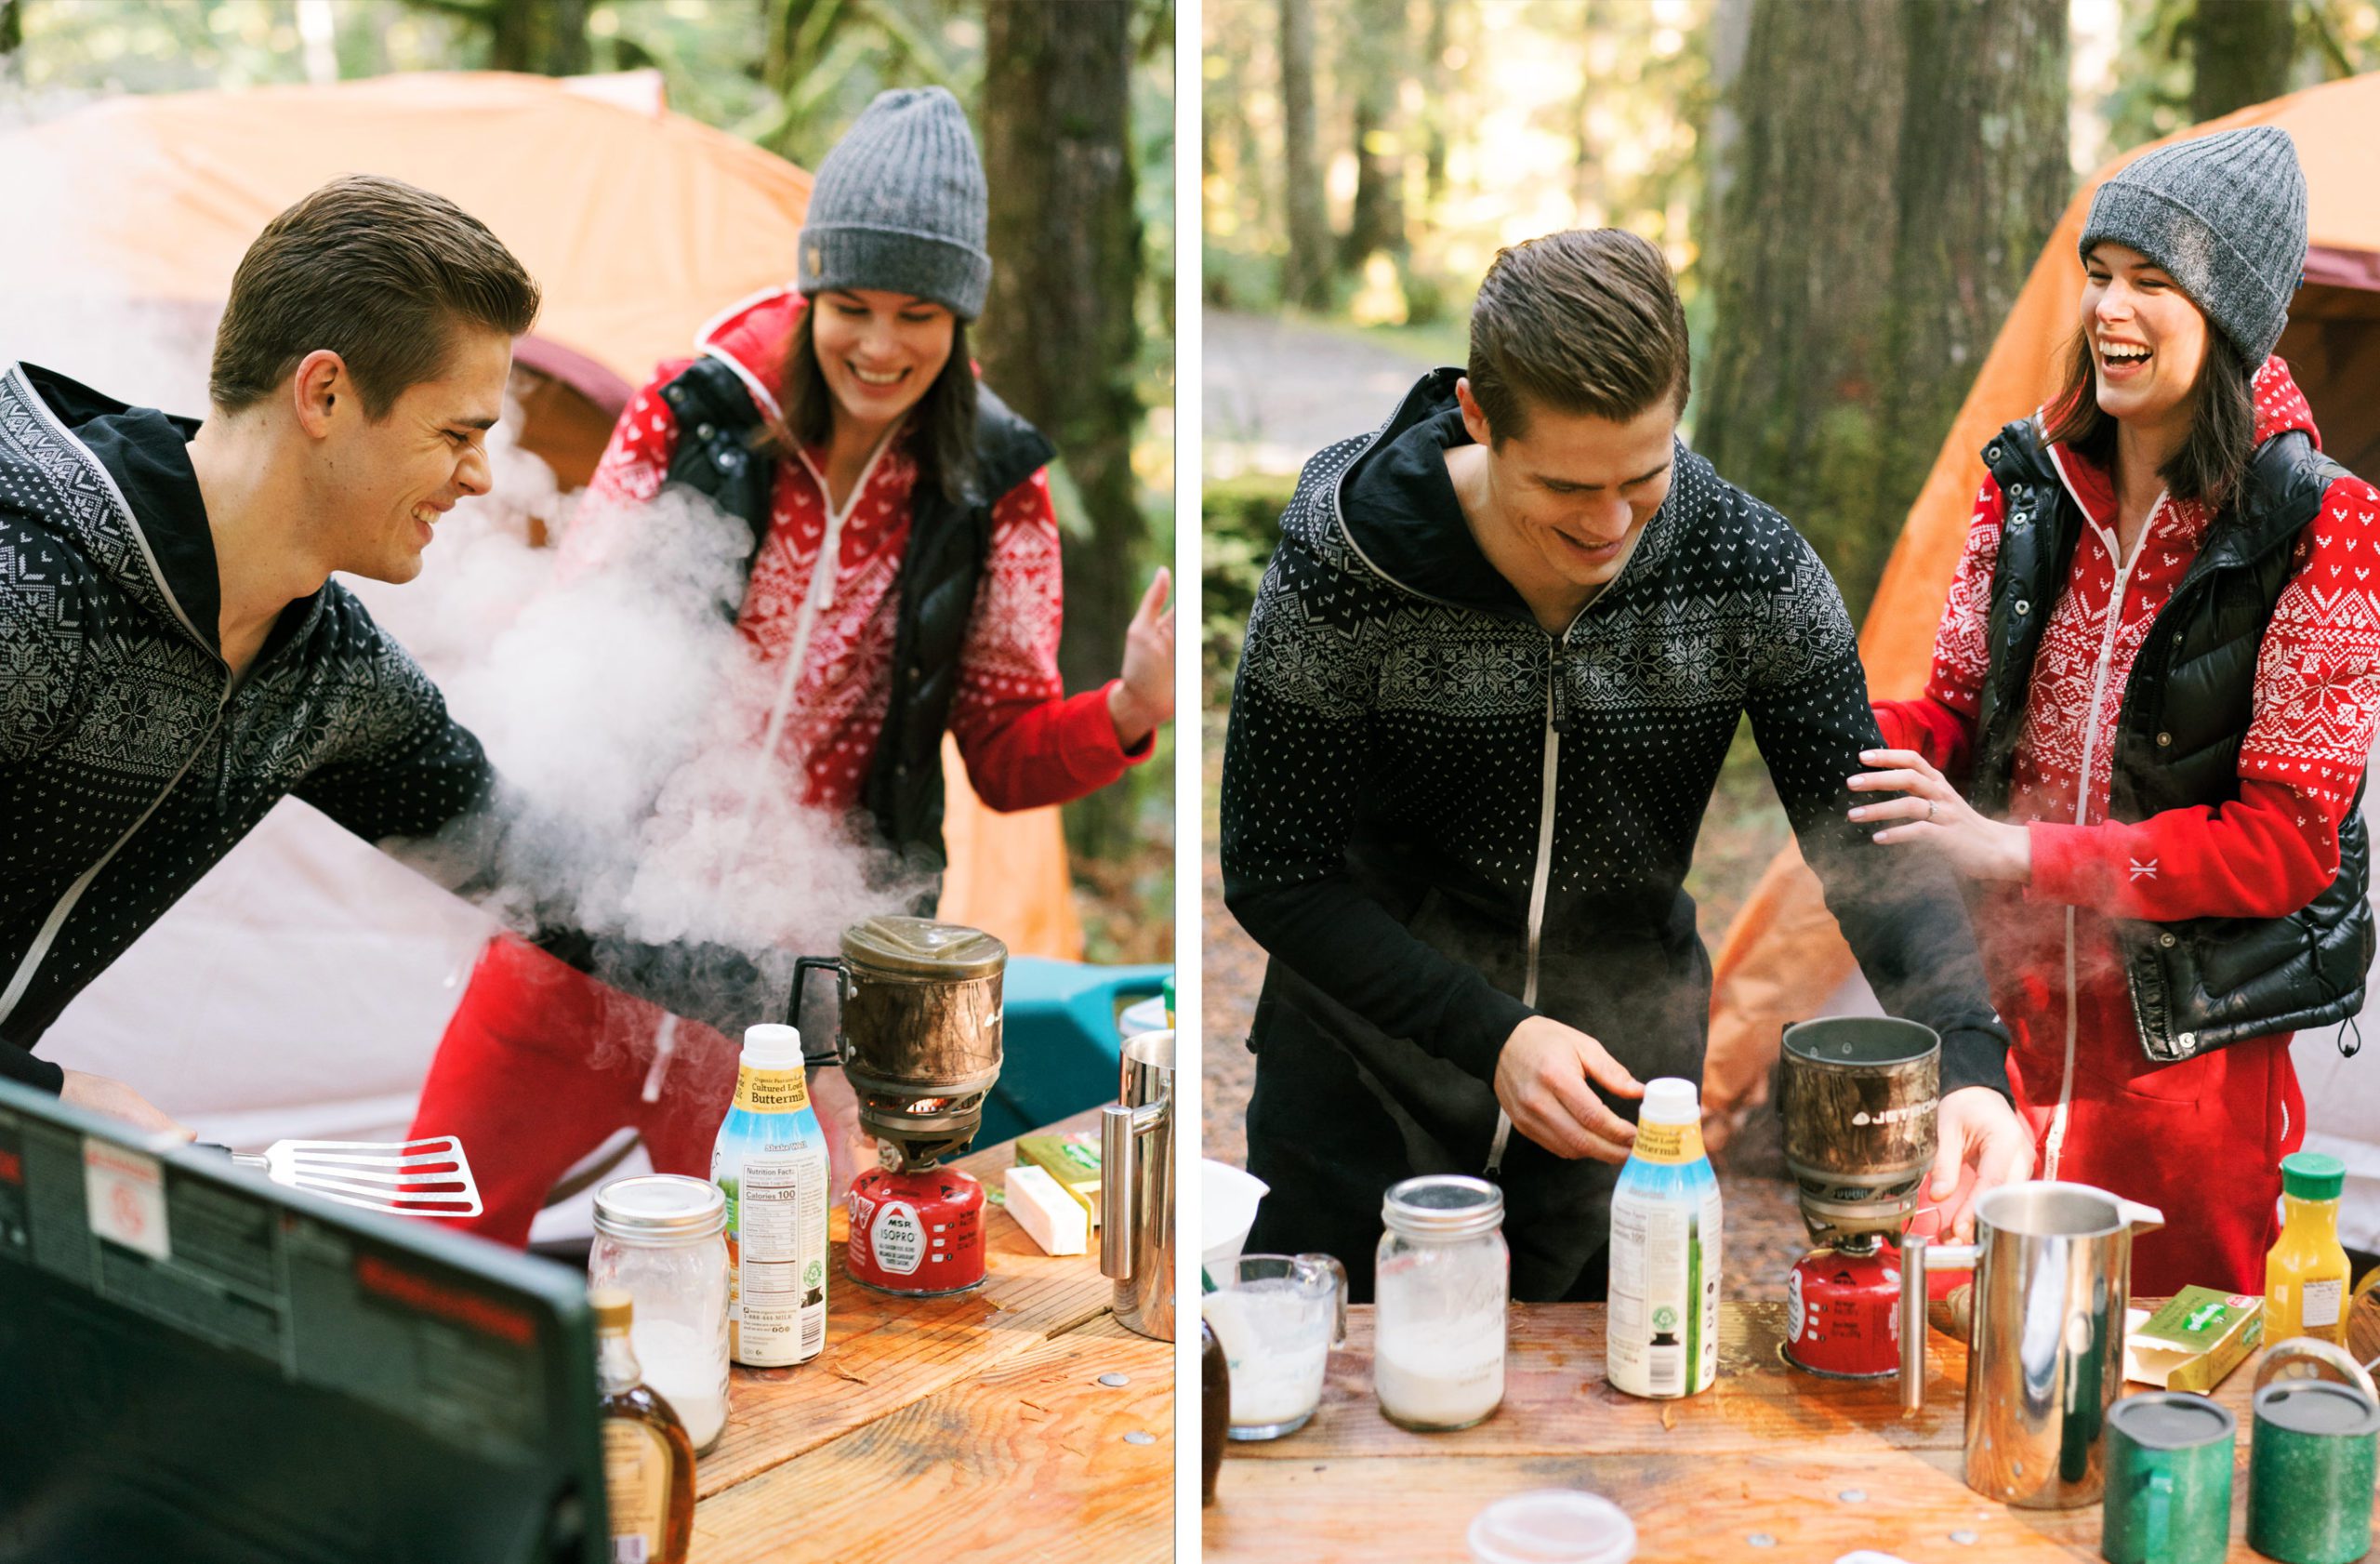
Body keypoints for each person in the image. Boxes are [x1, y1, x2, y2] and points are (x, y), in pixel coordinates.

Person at [406, 86, 1175, 1247]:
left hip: (778, 996)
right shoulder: (691, 411)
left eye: (917, 312)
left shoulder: (994, 485)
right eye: (850, 304)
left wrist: (1125, 709)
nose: (878, 344)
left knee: (755, 1308)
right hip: (581, 941)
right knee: (430, 1245)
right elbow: (584, 647)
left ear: (960, 317)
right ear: (811, 288)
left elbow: (1008, 758)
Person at [1219, 228, 2026, 1303]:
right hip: (1360, 1089)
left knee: (1596, 1445)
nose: (1608, 525)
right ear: (1476, 417)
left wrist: (1969, 1066)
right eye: (1563, 486)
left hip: (1622, 1114)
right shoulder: (1348, 555)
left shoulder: (1747, 564)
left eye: (1641, 478)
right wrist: (1491, 1033)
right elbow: (1274, 864)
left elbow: (1866, 835)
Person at [1847, 127, 2377, 1296]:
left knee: (2168, 1400)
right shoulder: (2027, 479)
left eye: (2152, 281)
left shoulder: (2323, 524)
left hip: (2186, 1079)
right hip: (2003, 1033)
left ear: (2230, 311)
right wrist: (1829, 732)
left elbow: (2286, 842)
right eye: (2098, 273)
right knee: (1966, 1358)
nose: (2108, 308)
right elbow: (1954, 715)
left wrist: (2018, 847)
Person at [0, 176, 574, 1133]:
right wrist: (47, 1095)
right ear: (325, 392)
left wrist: (829, 1016)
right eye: (456, 432)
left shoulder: (323, 670)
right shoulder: (31, 591)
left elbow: (539, 872)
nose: (479, 475)